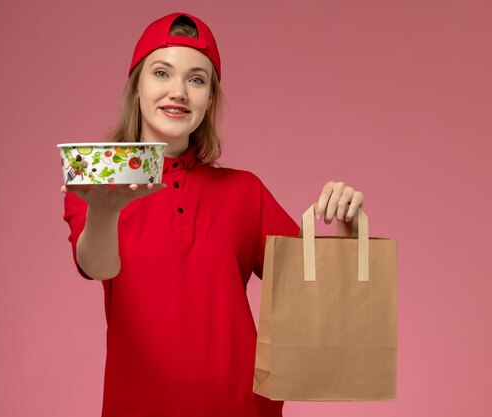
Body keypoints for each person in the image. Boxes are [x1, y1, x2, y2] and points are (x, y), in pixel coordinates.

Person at [61, 12, 364, 417]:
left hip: (241, 408)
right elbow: (97, 267)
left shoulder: (245, 191)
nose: (179, 91)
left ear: (209, 99)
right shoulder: (97, 178)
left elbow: (315, 291)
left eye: (196, 79)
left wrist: (347, 230)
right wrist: (103, 211)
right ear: (137, 87)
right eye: (162, 73)